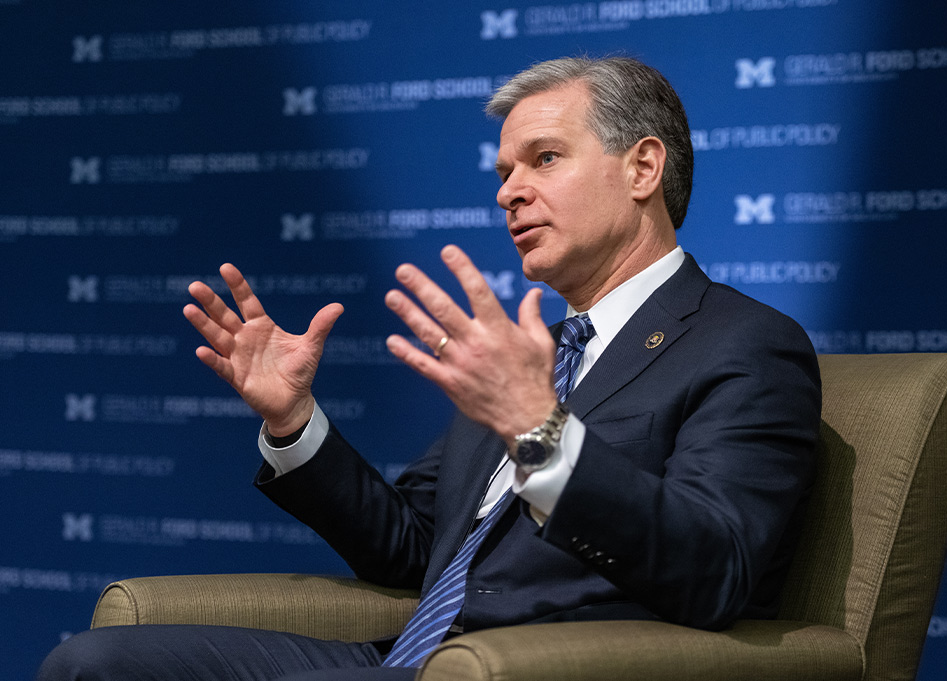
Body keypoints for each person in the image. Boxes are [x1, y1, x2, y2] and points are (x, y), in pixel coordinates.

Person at [37, 55, 821, 681]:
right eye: (504, 172)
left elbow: (716, 568)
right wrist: (293, 422)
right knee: (93, 663)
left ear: (643, 167)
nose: (509, 193)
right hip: (413, 652)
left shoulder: (744, 343)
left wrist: (536, 427)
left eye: (544, 159)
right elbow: (413, 548)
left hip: (532, 664)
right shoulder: (530, 352)